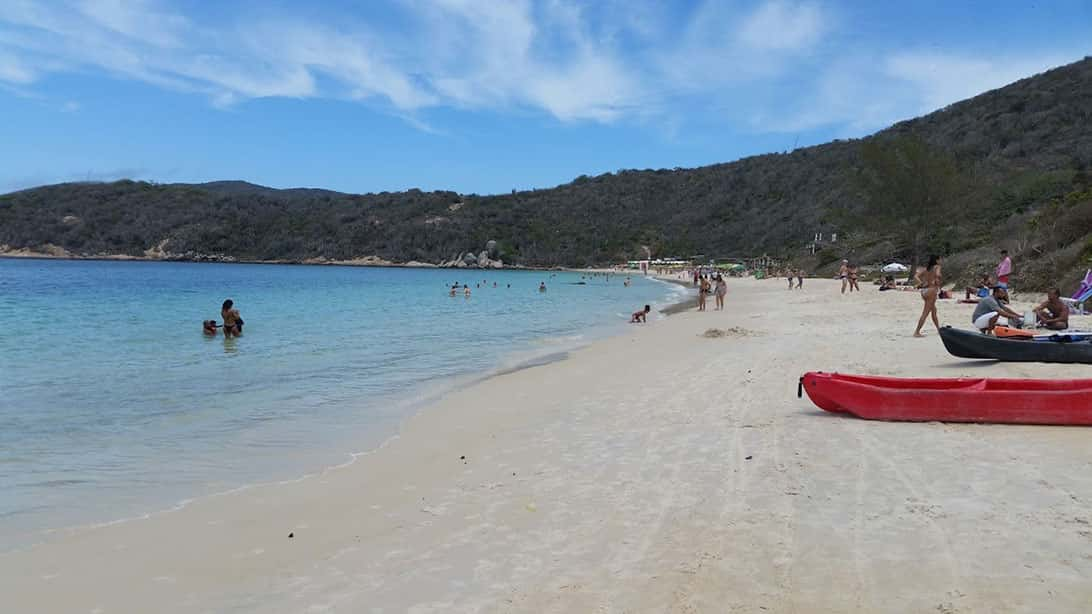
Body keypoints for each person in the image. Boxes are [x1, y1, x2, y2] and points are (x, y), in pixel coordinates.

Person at [912, 256, 942, 337]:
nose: (941, 260)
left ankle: (939, 329)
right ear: (936, 260)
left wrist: (920, 282)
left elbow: (916, 276)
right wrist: (938, 278)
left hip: (924, 291)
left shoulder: (926, 269)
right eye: (940, 259)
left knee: (934, 311)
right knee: (925, 313)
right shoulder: (937, 267)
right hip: (931, 291)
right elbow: (937, 274)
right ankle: (917, 332)